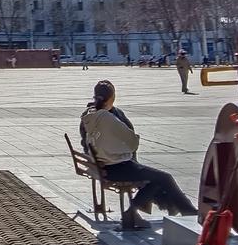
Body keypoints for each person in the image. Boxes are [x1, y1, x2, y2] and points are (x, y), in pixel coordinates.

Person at [80, 79, 197, 230]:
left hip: (105, 165)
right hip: (118, 165)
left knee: (156, 179)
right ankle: (187, 211)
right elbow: (132, 141)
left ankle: (134, 213)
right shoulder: (109, 118)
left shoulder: (90, 116)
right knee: (164, 178)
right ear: (111, 98)